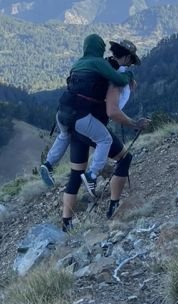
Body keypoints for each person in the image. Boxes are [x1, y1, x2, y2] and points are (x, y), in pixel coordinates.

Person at [60, 37, 150, 228]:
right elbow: (112, 111)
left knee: (76, 173)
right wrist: (134, 124)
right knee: (124, 159)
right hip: (92, 126)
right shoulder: (116, 77)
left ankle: (66, 223)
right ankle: (114, 207)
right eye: (131, 61)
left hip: (76, 122)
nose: (131, 64)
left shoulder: (101, 66)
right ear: (126, 58)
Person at [40, 37, 140, 192]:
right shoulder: (98, 62)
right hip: (79, 113)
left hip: (62, 110)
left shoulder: (78, 63)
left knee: (64, 135)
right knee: (105, 139)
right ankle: (92, 175)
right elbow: (119, 79)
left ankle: (48, 164)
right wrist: (129, 76)